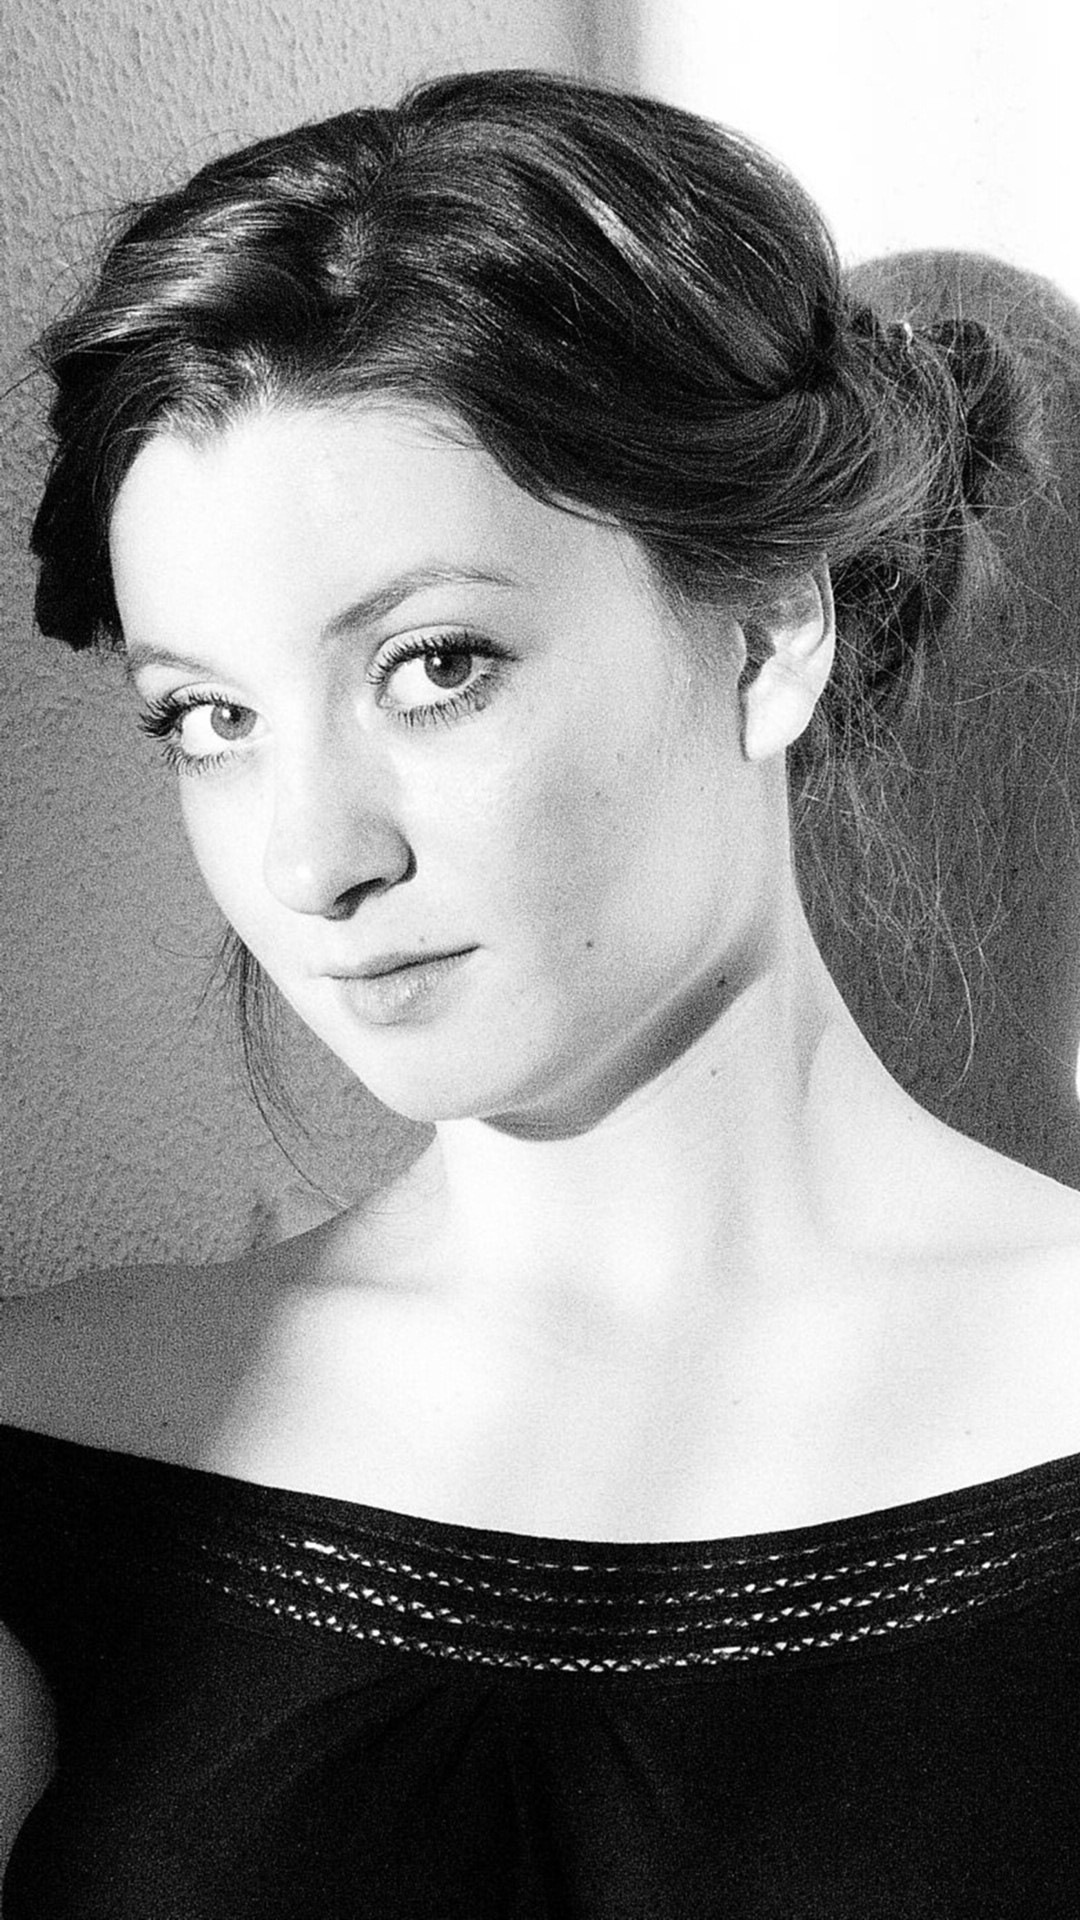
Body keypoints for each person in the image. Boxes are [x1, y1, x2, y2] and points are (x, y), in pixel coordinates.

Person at [3, 66, 1080, 1919]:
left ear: (772, 625)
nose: (311, 857)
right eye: (208, 719)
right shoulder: (45, 1450)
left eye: (434, 665)